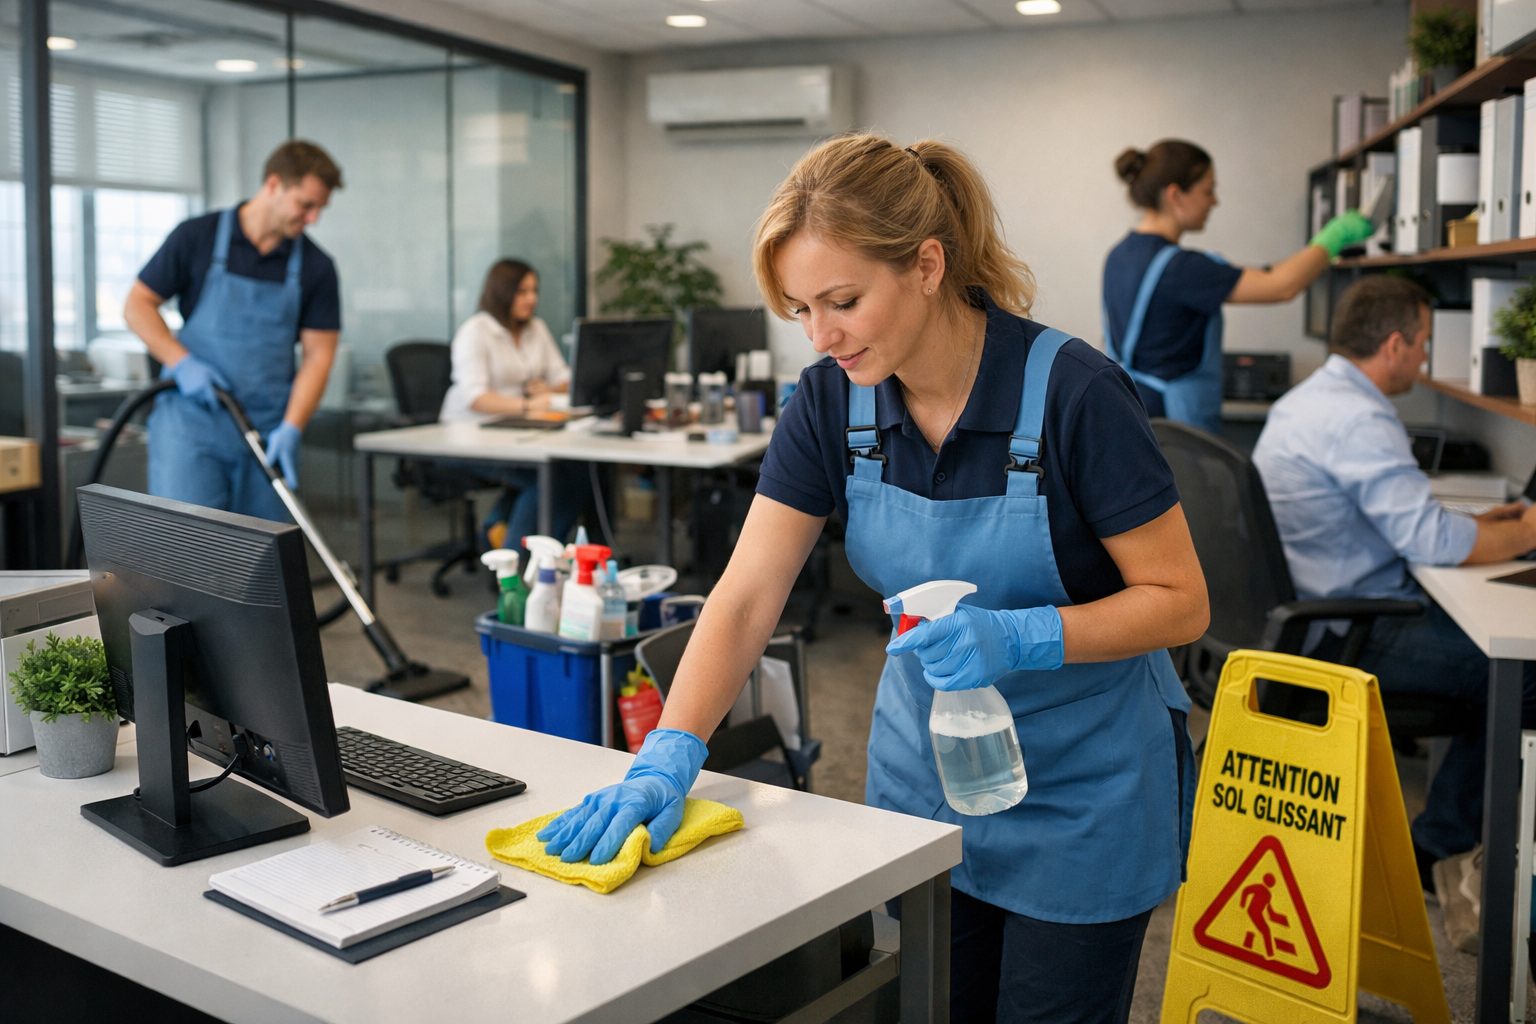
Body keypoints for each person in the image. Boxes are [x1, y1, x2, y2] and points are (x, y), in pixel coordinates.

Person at [536, 133, 1211, 1023]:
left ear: (928, 265)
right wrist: (671, 750)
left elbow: (1182, 603)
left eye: (843, 301)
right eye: (800, 310)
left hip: (1079, 784)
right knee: (932, 1004)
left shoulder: (1075, 394)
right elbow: (746, 596)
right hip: (926, 777)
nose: (820, 335)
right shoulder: (828, 400)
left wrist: (1023, 635)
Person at [1252, 274, 1536, 886]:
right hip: (1354, 626)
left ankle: (1453, 834)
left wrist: (1484, 523)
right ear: (1396, 344)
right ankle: (1438, 850)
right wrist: (1529, 531)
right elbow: (1431, 542)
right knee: (1526, 674)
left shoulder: (1311, 400)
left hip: (1322, 607)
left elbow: (1403, 520)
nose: (1426, 356)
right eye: (1426, 342)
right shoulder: (1357, 418)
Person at [124, 139, 343, 521]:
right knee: (189, 550)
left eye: (319, 209)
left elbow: (319, 355)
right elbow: (137, 305)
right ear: (273, 185)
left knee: (261, 562)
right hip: (191, 428)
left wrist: (293, 427)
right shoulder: (197, 238)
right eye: (306, 205)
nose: (313, 219)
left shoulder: (316, 266)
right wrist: (182, 363)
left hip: (264, 433)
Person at [1102, 139, 1376, 433]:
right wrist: (1334, 237)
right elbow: (1282, 286)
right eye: (1208, 191)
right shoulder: (1182, 268)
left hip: (1130, 412)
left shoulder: (1121, 254)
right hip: (1171, 426)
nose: (1214, 201)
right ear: (1175, 195)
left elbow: (1263, 277)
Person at [439, 258, 586, 549]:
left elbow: (566, 377)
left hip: (514, 433)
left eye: (534, 290)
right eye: (522, 291)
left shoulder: (536, 329)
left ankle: (514, 536)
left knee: (578, 472)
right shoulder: (476, 331)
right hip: (466, 437)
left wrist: (549, 387)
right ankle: (517, 559)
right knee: (547, 476)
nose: (531, 299)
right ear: (501, 292)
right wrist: (528, 405)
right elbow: (476, 397)